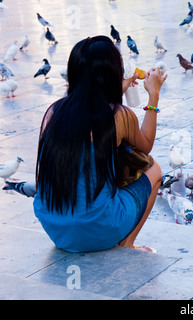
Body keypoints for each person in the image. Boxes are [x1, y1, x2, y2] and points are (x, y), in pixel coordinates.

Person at [33, 36, 167, 253]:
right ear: (112, 73)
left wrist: (117, 92)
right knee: (154, 169)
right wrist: (154, 97)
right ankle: (127, 244)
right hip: (98, 229)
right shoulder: (121, 115)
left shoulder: (53, 112)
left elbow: (92, 121)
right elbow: (146, 145)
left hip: (56, 230)